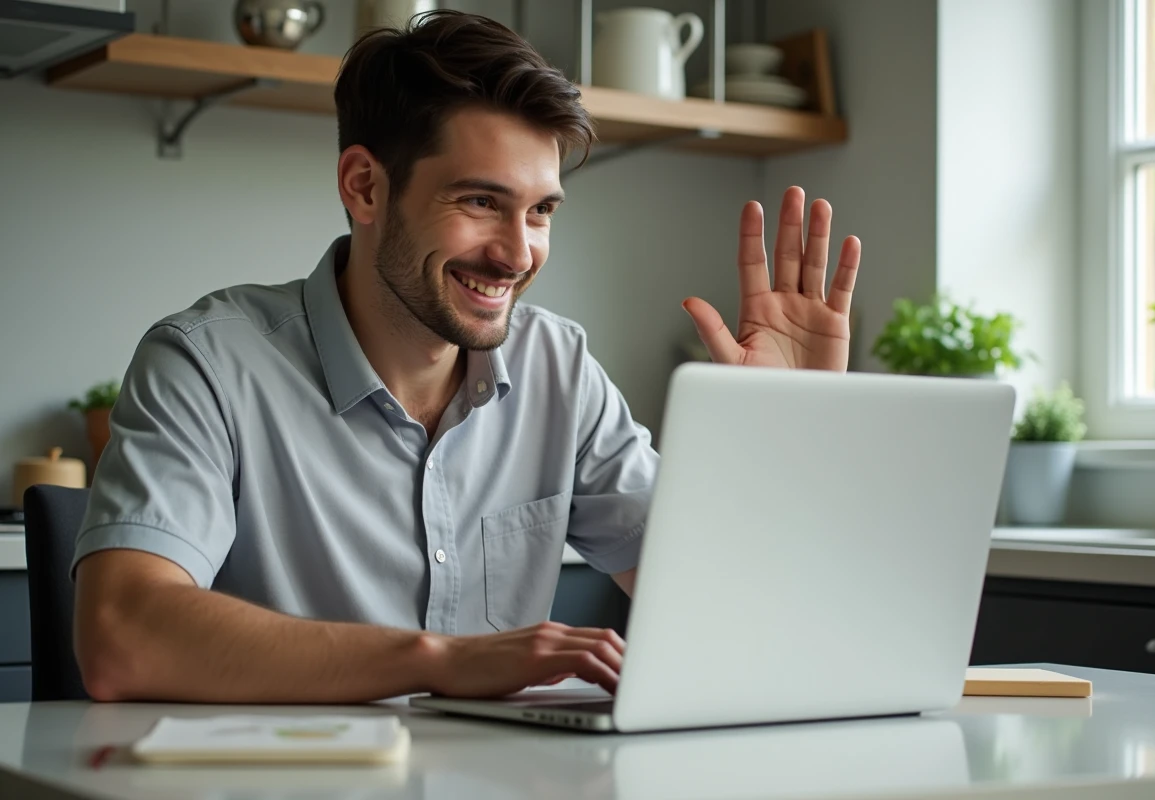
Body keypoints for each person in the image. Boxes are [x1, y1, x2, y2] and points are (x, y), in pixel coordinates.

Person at [72, 11, 861, 704]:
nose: (517, 253)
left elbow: (734, 611)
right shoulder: (207, 364)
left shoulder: (559, 368)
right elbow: (122, 636)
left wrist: (782, 434)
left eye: (542, 210)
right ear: (364, 187)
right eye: (481, 201)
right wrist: (442, 661)